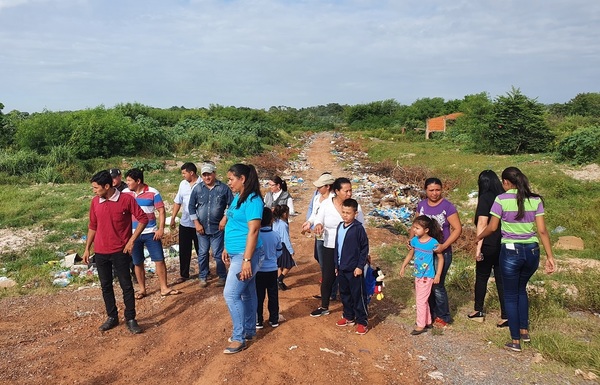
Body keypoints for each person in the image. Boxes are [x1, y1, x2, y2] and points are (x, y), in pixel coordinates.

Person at [476, 167, 556, 352]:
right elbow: (542, 231)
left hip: (511, 251)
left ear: (505, 182)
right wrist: (550, 257)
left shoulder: (501, 199)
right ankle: (524, 330)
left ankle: (515, 340)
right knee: (521, 290)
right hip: (533, 251)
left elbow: (493, 227)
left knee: (511, 295)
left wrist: (480, 236)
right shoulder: (535, 200)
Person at [82, 170, 147, 334]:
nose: (94, 191)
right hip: (101, 251)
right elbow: (92, 226)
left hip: (120, 251)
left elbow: (143, 219)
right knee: (106, 286)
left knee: (126, 286)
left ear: (106, 186)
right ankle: (112, 316)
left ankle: (131, 318)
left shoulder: (126, 199)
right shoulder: (95, 202)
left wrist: (131, 241)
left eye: (96, 188)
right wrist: (87, 249)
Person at [222, 163, 265, 354]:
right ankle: (249, 330)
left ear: (243, 179)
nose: (229, 183)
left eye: (231, 179)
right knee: (247, 292)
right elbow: (232, 222)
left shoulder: (253, 200)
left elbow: (254, 231)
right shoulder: (238, 197)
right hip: (235, 252)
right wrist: (226, 247)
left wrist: (247, 260)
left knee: (231, 294)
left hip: (247, 254)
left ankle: (239, 337)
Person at [310, 177, 364, 318]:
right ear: (337, 191)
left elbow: (361, 227)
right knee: (328, 275)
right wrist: (318, 225)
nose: (349, 193)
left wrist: (363, 252)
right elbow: (318, 218)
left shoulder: (354, 206)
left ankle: (353, 309)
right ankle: (324, 306)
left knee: (348, 277)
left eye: (350, 190)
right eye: (346, 191)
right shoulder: (327, 204)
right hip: (330, 244)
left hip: (349, 249)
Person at [123, 168, 179, 298]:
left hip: (150, 232)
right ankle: (142, 289)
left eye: (129, 180)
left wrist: (160, 229)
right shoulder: (125, 193)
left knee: (159, 259)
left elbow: (161, 210)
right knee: (137, 262)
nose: (127, 183)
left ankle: (164, 287)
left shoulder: (153, 192)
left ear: (138, 181)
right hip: (133, 233)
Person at [414, 177, 462, 327]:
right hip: (424, 253)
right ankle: (429, 313)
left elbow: (457, 229)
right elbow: (415, 226)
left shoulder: (447, 207)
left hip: (442, 252)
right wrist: (411, 242)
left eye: (437, 190)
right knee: (425, 283)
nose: (435, 193)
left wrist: (444, 245)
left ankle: (443, 316)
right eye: (431, 190)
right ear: (425, 191)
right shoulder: (421, 206)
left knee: (437, 283)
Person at [469, 170, 507, 327]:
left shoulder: (485, 198)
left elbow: (483, 224)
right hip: (504, 243)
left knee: (482, 276)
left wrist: (478, 247)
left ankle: (478, 311)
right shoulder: (503, 197)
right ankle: (506, 315)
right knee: (501, 279)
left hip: (489, 244)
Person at [188, 161, 234, 288]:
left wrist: (225, 218)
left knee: (218, 254)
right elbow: (191, 207)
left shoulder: (223, 188)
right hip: (201, 228)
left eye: (209, 174)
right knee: (202, 253)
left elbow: (232, 205)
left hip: (217, 228)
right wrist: (196, 223)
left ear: (214, 174)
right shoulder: (197, 189)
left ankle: (222, 276)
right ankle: (203, 276)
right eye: (204, 175)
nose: (207, 177)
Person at [399, 215, 444, 335]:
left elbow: (440, 258)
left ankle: (420, 325)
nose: (414, 230)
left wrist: (438, 274)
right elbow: (410, 254)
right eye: (414, 227)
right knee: (422, 299)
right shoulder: (414, 241)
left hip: (427, 276)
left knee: (420, 300)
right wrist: (403, 266)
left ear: (426, 230)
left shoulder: (433, 243)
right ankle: (427, 321)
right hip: (418, 275)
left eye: (417, 228)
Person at [334, 198, 370, 335]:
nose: (345, 215)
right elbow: (337, 247)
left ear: (355, 213)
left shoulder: (358, 228)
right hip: (341, 268)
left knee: (358, 295)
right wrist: (336, 265)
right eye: (343, 212)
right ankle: (348, 316)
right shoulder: (339, 226)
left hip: (354, 269)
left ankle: (362, 321)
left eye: (348, 213)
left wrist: (360, 266)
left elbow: (364, 249)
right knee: (344, 294)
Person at [302, 173, 335, 299]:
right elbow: (315, 214)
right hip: (319, 235)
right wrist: (309, 222)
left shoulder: (332, 200)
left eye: (320, 187)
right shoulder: (317, 198)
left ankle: (330, 292)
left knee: (327, 264)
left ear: (328, 186)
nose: (318, 189)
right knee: (320, 259)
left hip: (328, 236)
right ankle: (329, 289)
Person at [170, 162, 200, 284]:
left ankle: (205, 272)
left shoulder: (202, 183)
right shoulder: (183, 184)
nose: (183, 175)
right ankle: (184, 274)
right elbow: (178, 201)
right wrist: (173, 217)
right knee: (184, 250)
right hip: (185, 222)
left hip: (199, 223)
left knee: (201, 249)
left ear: (191, 173)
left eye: (184, 173)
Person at [256, 207, 281, 329]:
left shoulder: (255, 236)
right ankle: (274, 319)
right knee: (273, 295)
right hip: (272, 269)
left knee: (258, 296)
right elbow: (279, 252)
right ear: (271, 220)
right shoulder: (275, 235)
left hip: (259, 271)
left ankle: (258, 320)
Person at [272, 204, 295, 290]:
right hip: (283, 246)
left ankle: (279, 282)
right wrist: (291, 251)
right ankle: (280, 279)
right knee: (289, 264)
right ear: (285, 214)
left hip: (276, 245)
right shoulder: (283, 225)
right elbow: (286, 239)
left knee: (279, 265)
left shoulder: (275, 222)